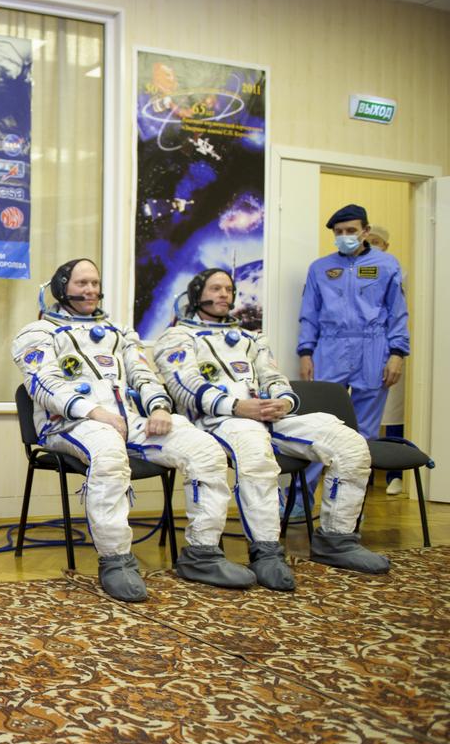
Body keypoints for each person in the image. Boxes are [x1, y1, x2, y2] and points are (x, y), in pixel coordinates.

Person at [11, 258, 249, 603]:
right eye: (81, 284)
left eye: (94, 283)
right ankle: (116, 560)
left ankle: (203, 554)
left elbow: (143, 375)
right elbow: (43, 384)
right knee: (108, 452)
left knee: (205, 449)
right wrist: (93, 412)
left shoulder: (120, 333)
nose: (90, 290)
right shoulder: (37, 333)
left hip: (130, 421)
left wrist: (159, 407)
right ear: (62, 288)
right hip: (68, 423)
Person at [155, 268, 389, 579]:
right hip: (219, 421)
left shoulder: (251, 338)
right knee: (255, 451)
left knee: (349, 444)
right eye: (215, 288)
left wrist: (284, 401)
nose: (223, 294)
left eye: (228, 289)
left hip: (268, 417)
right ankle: (265, 551)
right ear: (197, 294)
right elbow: (186, 387)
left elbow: (273, 377)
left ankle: (337, 539)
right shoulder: (177, 337)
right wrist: (238, 406)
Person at [297, 204, 409, 512]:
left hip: (374, 349)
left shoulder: (387, 265)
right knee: (316, 427)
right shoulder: (320, 268)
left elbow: (398, 313)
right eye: (339, 232)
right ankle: (299, 500)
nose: (344, 237)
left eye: (350, 231)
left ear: (365, 231)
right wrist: (306, 352)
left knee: (363, 434)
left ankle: (346, 507)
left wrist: (398, 353)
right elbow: (309, 314)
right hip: (329, 349)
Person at [362, 225, 407, 495]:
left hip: (388, 351)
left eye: (377, 241)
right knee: (353, 421)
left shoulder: (394, 270)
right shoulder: (346, 270)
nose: (372, 244)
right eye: (369, 241)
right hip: (353, 354)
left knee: (392, 415)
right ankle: (361, 476)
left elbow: (398, 315)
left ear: (386, 245)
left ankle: (394, 474)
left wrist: (396, 354)